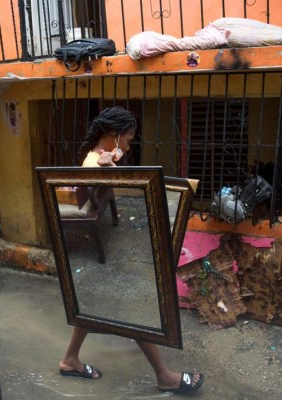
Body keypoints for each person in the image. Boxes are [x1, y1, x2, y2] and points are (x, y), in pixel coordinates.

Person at [58, 106, 205, 394]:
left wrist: (113, 160)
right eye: (127, 139)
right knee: (136, 310)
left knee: (96, 306)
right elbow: (131, 189)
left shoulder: (98, 158)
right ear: (113, 136)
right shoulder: (94, 165)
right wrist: (112, 167)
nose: (128, 145)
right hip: (110, 253)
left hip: (109, 247)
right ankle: (164, 376)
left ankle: (69, 359)